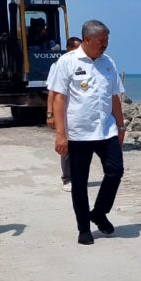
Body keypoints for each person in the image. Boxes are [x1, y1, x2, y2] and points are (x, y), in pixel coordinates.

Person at [50, 20, 125, 245]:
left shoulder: (108, 63)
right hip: (79, 133)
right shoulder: (67, 62)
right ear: (87, 40)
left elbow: (115, 98)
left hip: (106, 130)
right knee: (79, 183)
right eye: (102, 41)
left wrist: (121, 127)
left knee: (115, 172)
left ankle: (99, 212)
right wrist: (61, 134)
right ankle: (84, 228)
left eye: (107, 41)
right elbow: (59, 98)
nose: (105, 45)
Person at [45, 36, 82, 192]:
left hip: (77, 114)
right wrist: (50, 114)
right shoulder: (59, 64)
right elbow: (53, 92)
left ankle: (78, 177)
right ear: (68, 49)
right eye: (76, 48)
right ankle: (67, 179)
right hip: (64, 113)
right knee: (66, 146)